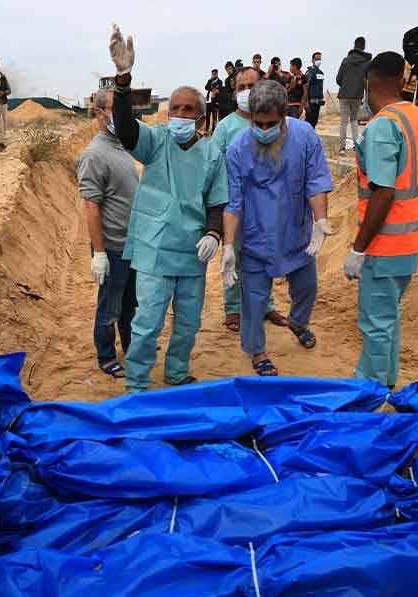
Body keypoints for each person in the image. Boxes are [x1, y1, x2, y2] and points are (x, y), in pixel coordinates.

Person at [108, 25, 228, 393]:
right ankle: (137, 383)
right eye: (174, 107)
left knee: (189, 322)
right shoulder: (156, 141)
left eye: (188, 109)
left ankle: (176, 372)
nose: (179, 113)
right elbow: (127, 130)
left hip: (193, 252)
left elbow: (217, 200)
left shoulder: (212, 153)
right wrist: (123, 82)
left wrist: (213, 232)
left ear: (202, 117)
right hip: (155, 249)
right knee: (148, 321)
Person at [343, 52, 418, 388]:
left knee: (375, 322)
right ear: (402, 82)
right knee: (388, 318)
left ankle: (369, 392)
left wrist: (359, 248)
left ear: (369, 82)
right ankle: (385, 382)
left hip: (386, 244)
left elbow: (383, 192)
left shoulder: (384, 127)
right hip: (412, 240)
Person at [221, 81, 333, 376]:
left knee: (307, 287)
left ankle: (298, 322)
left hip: (296, 233)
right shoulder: (237, 149)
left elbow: (316, 181)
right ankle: (257, 352)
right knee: (254, 301)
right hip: (256, 237)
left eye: (271, 123)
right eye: (258, 123)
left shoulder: (305, 136)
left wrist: (320, 221)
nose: (264, 129)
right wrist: (229, 245)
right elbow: (233, 201)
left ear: (285, 115)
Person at [212, 67, 288, 334]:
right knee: (234, 255)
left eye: (251, 86)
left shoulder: (276, 122)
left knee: (265, 256)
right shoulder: (225, 127)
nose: (245, 92)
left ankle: (266, 305)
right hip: (236, 204)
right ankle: (233, 308)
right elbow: (215, 164)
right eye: (240, 87)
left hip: (268, 204)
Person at [77, 89, 141, 380]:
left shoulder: (120, 147)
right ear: (100, 113)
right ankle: (106, 355)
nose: (123, 116)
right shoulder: (94, 154)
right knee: (109, 306)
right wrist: (99, 253)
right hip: (112, 247)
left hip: (132, 246)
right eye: (117, 109)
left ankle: (130, 346)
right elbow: (91, 206)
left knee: (129, 304)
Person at [336, 36, 372, 152]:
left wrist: (346, 84)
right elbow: (368, 79)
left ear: (354, 45)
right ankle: (357, 146)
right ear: (364, 46)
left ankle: (342, 148)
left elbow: (338, 79)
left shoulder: (345, 60)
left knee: (343, 122)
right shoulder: (367, 62)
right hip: (357, 95)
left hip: (344, 95)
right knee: (354, 120)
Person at [304, 52, 325, 128]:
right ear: (312, 60)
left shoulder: (321, 73)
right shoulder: (309, 72)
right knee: (309, 122)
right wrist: (305, 102)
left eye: (320, 59)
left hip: (318, 102)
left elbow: (320, 87)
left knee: (314, 121)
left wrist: (321, 98)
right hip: (310, 103)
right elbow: (305, 87)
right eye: (317, 59)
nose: (318, 61)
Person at [205, 69, 222, 134]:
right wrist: (210, 80)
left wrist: (216, 89)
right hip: (208, 101)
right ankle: (206, 129)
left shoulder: (219, 81)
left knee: (214, 117)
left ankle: (213, 130)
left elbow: (220, 89)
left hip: (215, 102)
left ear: (217, 74)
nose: (214, 75)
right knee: (207, 116)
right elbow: (206, 87)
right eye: (213, 74)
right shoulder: (210, 81)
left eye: (215, 73)